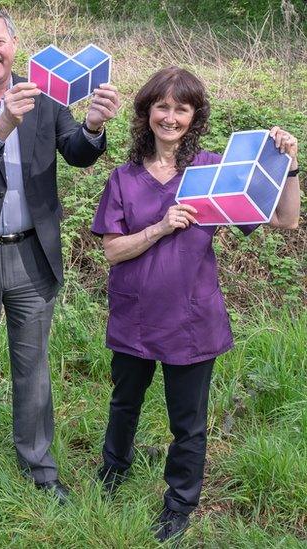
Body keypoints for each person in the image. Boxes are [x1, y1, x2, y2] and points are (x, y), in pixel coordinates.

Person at [91, 67, 300, 542]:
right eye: (160, 107)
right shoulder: (124, 179)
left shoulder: (211, 172)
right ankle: (113, 473)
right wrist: (161, 227)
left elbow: (285, 221)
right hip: (135, 316)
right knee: (124, 403)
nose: (170, 117)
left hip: (191, 320)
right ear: (145, 114)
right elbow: (112, 250)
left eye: (180, 108)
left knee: (188, 423)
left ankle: (179, 504)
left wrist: (290, 165)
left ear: (194, 116)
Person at [0, 8, 120, 499]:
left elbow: (75, 151)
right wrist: (5, 120)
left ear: (15, 44)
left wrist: (93, 126)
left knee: (33, 367)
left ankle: (40, 468)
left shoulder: (48, 94)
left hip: (33, 254)